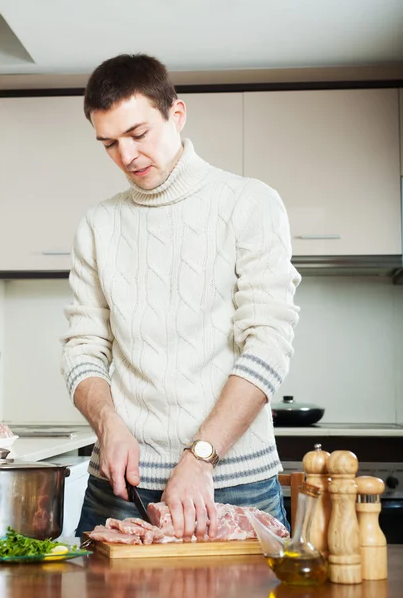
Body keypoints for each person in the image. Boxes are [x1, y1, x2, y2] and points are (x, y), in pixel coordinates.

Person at [61, 53, 301, 541]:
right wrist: (107, 423)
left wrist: (201, 456)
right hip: (121, 487)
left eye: (138, 134)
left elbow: (268, 343)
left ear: (177, 114)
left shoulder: (249, 203)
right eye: (108, 143)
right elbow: (82, 350)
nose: (126, 156)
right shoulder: (97, 226)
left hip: (233, 484)